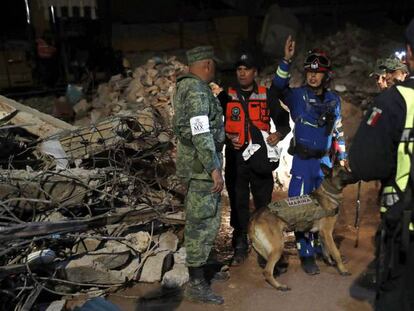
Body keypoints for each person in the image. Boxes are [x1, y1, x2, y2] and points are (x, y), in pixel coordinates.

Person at [348, 19, 414, 311]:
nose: (379, 81)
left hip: (405, 228)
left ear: (409, 54)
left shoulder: (395, 102)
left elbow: (365, 164)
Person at [272, 36, 347, 275]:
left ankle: (319, 247)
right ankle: (305, 253)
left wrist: (343, 155)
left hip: (324, 163)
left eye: (318, 72)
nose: (313, 76)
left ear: (326, 75)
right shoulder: (297, 96)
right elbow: (277, 87)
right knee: (300, 208)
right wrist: (286, 60)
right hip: (303, 162)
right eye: (309, 72)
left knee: (323, 208)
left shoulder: (334, 100)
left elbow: (339, 130)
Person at [211, 52, 290, 265]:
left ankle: (265, 244)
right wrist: (227, 136)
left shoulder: (266, 95)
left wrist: (278, 134)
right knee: (238, 201)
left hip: (260, 158)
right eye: (239, 69)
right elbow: (213, 122)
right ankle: (240, 242)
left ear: (255, 72)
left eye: (246, 69)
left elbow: (283, 120)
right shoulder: (226, 96)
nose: (242, 72)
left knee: (263, 202)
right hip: (236, 158)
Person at [172, 46, 225, 305]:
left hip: (197, 165)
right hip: (201, 168)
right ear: (206, 65)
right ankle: (196, 283)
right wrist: (214, 168)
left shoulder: (186, 87)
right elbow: (201, 132)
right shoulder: (195, 90)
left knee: (206, 218)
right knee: (201, 223)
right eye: (213, 65)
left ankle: (204, 267)